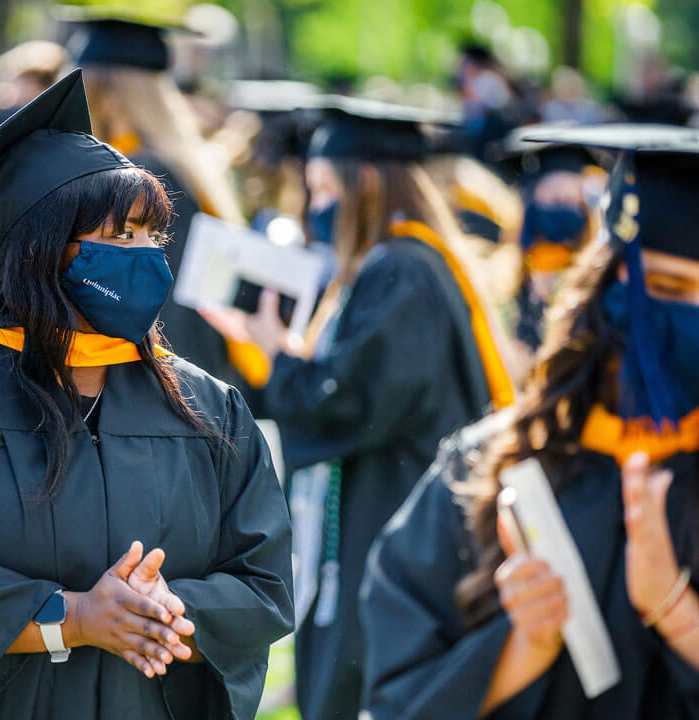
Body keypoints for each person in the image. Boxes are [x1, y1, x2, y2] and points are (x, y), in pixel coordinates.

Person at [0, 69, 293, 720]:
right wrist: (74, 617)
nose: (147, 257)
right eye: (119, 236)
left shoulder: (204, 405)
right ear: (40, 250)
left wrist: (165, 611)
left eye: (151, 236)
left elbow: (265, 583)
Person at [361, 123, 699, 719]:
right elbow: (394, 700)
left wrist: (676, 610)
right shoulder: (490, 468)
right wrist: (523, 647)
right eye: (671, 287)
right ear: (610, 290)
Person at [241, 96, 517, 720]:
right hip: (388, 512)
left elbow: (354, 404)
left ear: (363, 181)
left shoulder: (402, 269)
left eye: (321, 188)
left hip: (388, 524)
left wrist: (280, 359)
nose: (315, 209)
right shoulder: (408, 265)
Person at [67, 9, 267, 395]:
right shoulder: (183, 169)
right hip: (192, 381)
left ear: (105, 95)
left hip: (148, 385)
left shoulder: (133, 179)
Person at [497, 125, 604, 364]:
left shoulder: (595, 281)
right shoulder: (500, 277)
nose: (563, 207)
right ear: (530, 200)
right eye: (554, 198)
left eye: (572, 201)